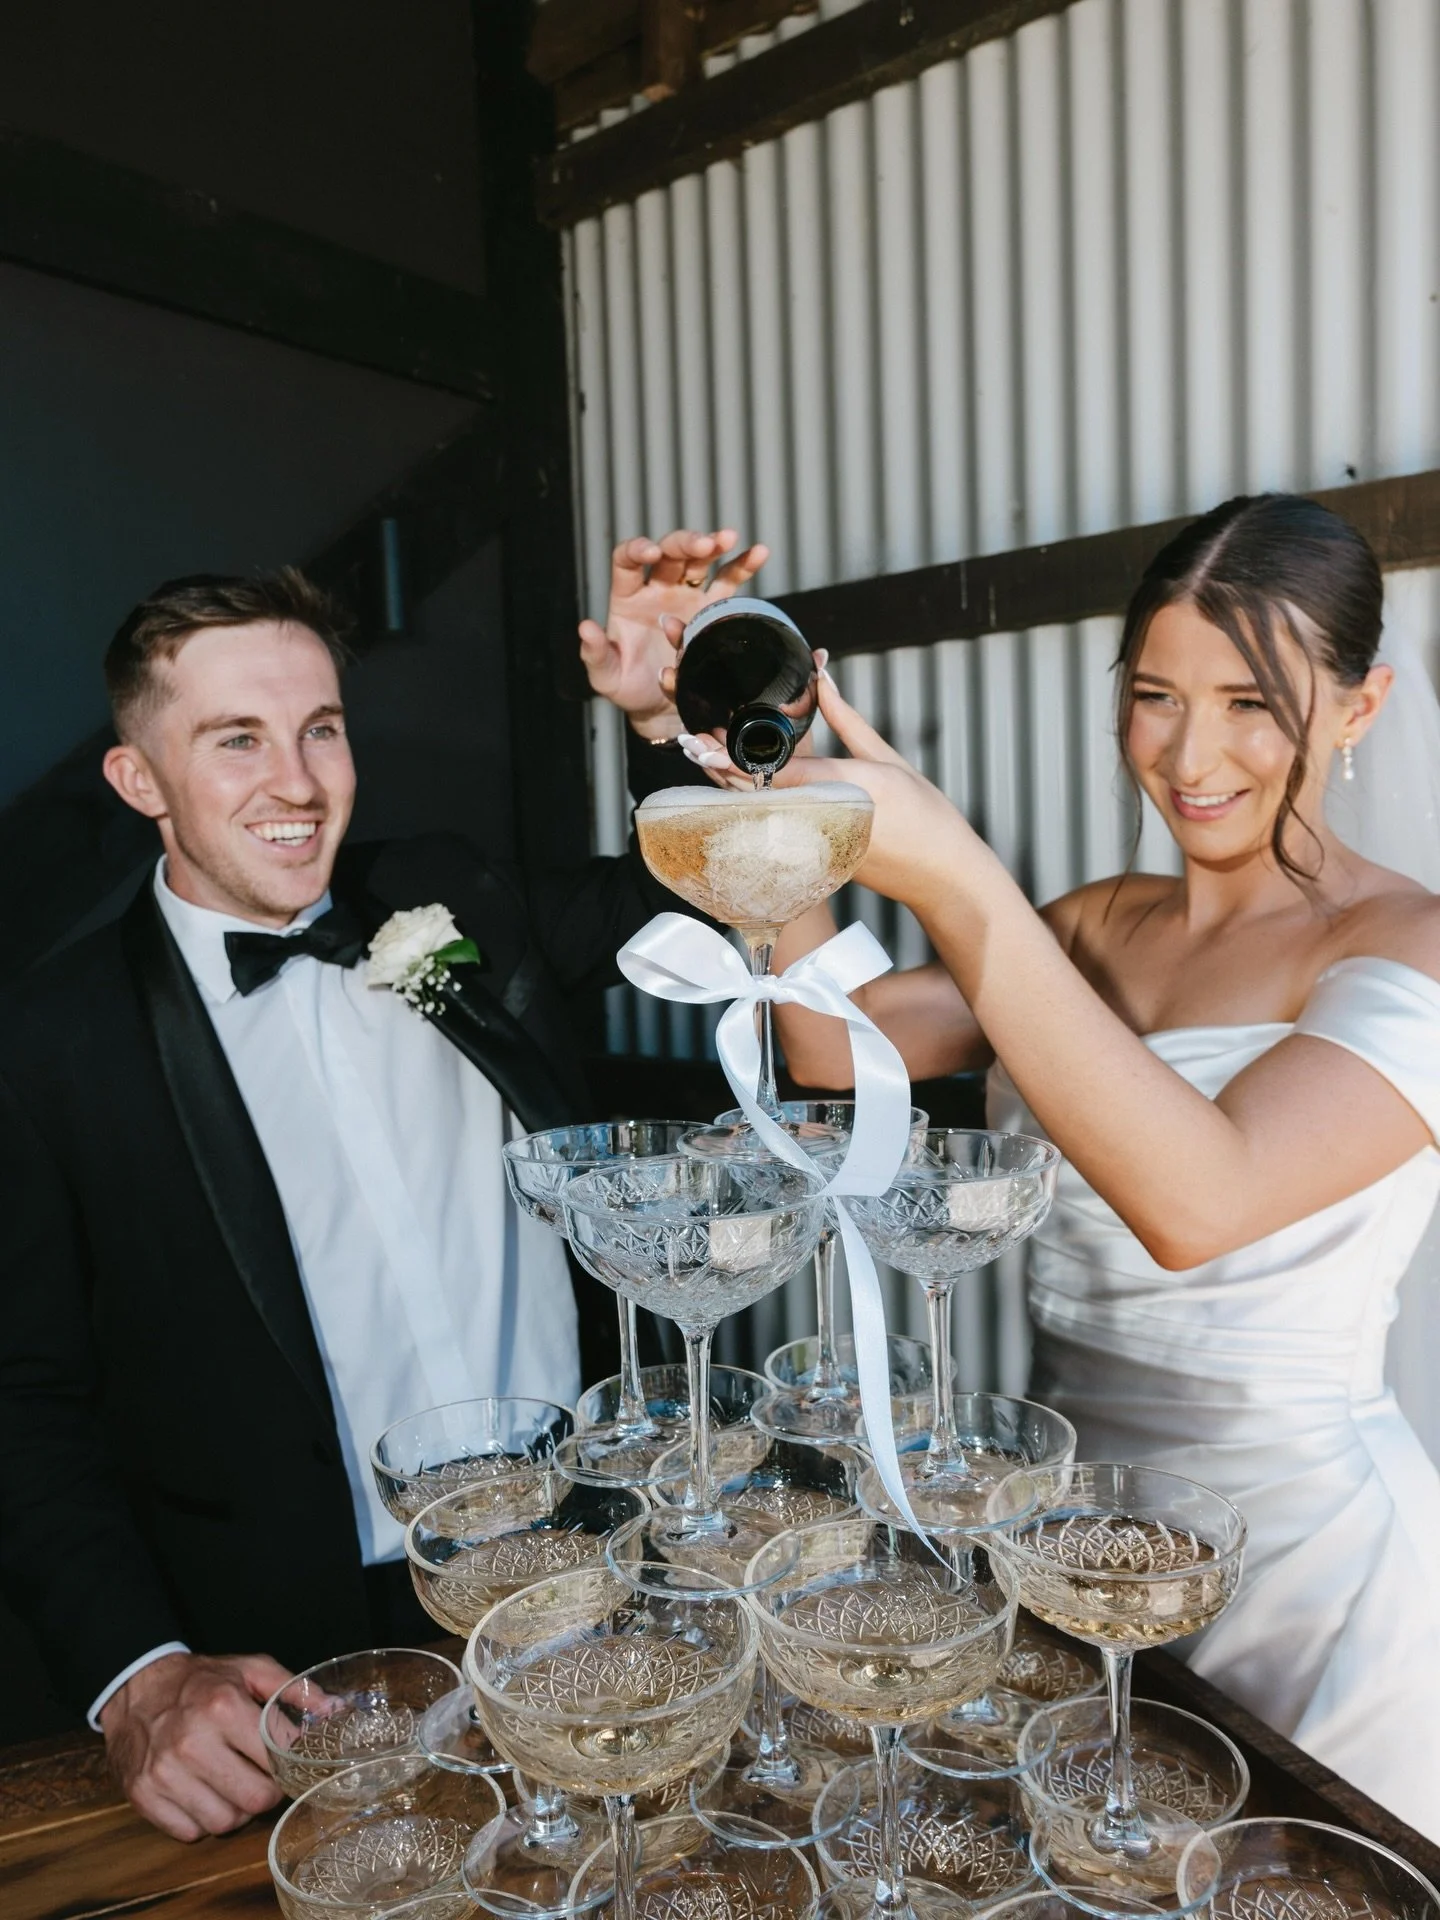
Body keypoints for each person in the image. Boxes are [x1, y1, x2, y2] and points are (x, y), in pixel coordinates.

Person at [670, 495, 1440, 1838]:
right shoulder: (1091, 924)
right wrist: (772, 790)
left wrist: (961, 882)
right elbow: (827, 1044)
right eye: (1153, 694)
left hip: (1312, 1575)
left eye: (1252, 702)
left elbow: (1203, 1201)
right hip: (1072, 1541)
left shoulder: (1410, 944)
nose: (1192, 752)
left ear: (1360, 708)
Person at [0, 527, 762, 1841]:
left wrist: (674, 710)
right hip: (296, 1651)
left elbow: (727, 888)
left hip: (584, 1566)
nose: (296, 782)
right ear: (139, 778)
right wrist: (139, 1680)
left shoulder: (453, 891)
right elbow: (24, 1403)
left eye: (323, 729)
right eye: (235, 738)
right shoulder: (51, 1043)